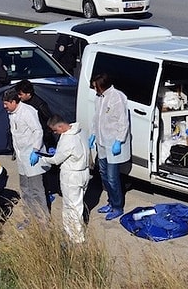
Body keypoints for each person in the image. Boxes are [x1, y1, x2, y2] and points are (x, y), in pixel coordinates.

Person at [30, 114, 90, 243]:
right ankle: (72, 230)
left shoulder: (67, 139)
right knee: (78, 203)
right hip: (84, 173)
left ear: (61, 126)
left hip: (72, 176)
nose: (55, 133)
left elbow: (56, 160)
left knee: (72, 206)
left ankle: (76, 238)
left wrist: (42, 157)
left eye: (55, 130)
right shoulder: (81, 131)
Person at [2, 88, 49, 224]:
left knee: (36, 190)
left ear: (13, 102)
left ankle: (43, 220)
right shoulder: (12, 113)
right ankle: (30, 216)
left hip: (32, 156)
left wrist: (35, 150)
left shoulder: (28, 112)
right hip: (22, 157)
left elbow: (38, 131)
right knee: (25, 189)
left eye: (6, 104)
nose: (4, 107)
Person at [89, 73, 131, 221]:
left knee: (113, 177)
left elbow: (123, 122)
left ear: (102, 85)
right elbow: (97, 118)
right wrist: (93, 134)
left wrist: (119, 140)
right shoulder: (99, 98)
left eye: (96, 86)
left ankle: (118, 206)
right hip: (102, 142)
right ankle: (110, 201)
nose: (95, 89)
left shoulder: (117, 98)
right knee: (104, 174)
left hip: (113, 142)